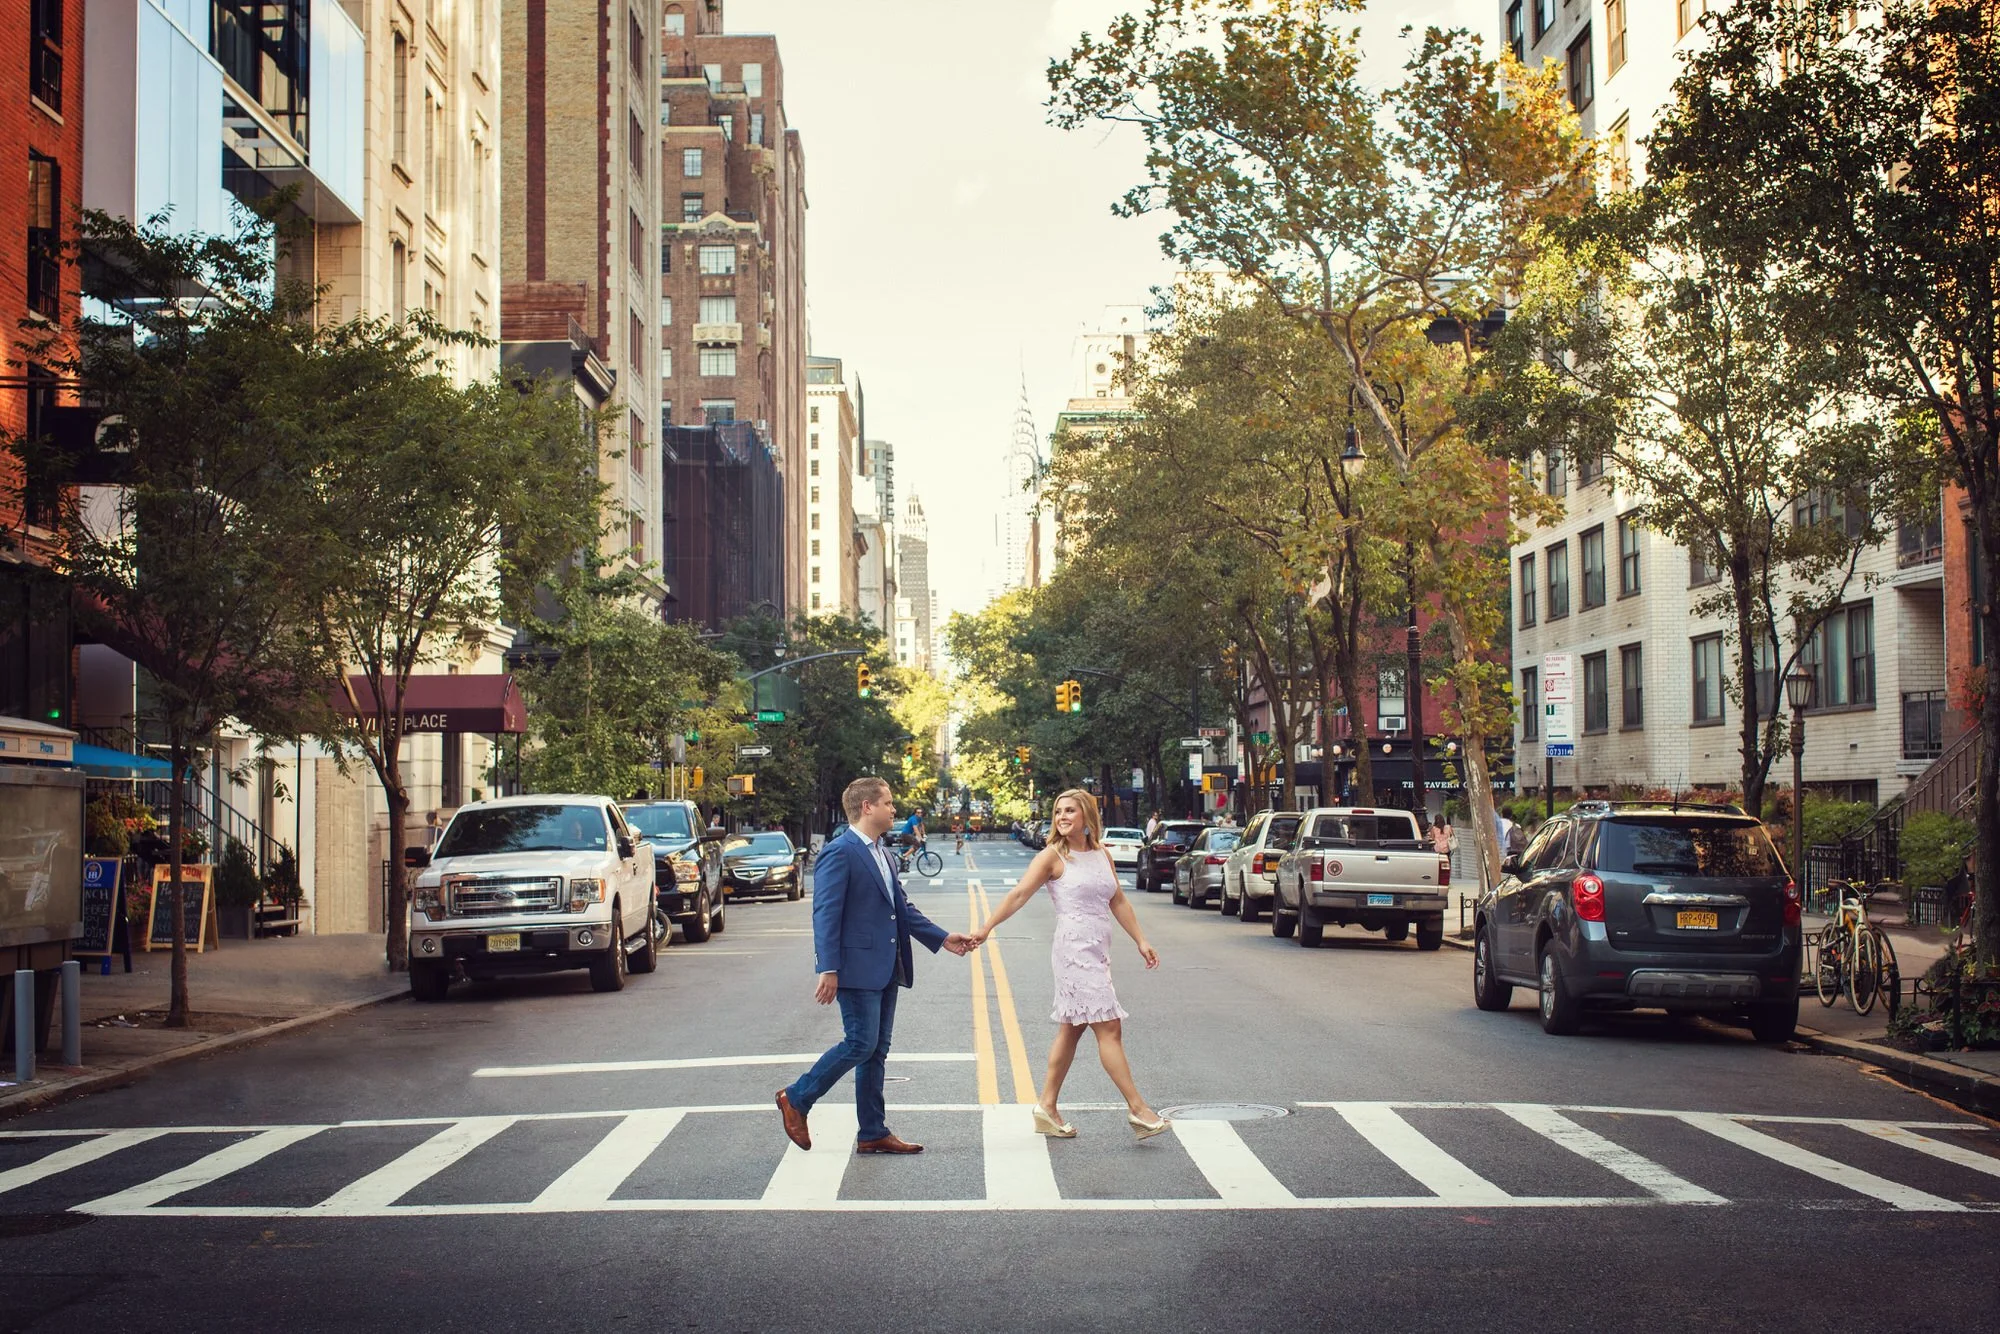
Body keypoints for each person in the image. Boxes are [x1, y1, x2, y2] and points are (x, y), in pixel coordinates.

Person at [776, 778, 977, 1156]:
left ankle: (872, 1131)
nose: (893, 810)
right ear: (867, 807)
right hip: (855, 967)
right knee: (860, 1043)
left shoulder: (881, 852)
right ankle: (797, 1097)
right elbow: (825, 914)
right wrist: (828, 967)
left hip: (887, 966)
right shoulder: (841, 852)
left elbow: (901, 909)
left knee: (875, 1050)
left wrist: (942, 937)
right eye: (887, 803)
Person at [971, 787, 1167, 1141]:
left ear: (1087, 817)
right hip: (1073, 952)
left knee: (1072, 1028)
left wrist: (1141, 940)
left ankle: (1046, 1106)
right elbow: (1018, 895)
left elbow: (1118, 900)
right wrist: (986, 928)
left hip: (1098, 950)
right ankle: (1138, 1109)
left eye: (1070, 811)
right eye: (1058, 811)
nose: (1062, 817)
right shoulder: (1051, 857)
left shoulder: (1101, 854)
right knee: (1109, 1027)